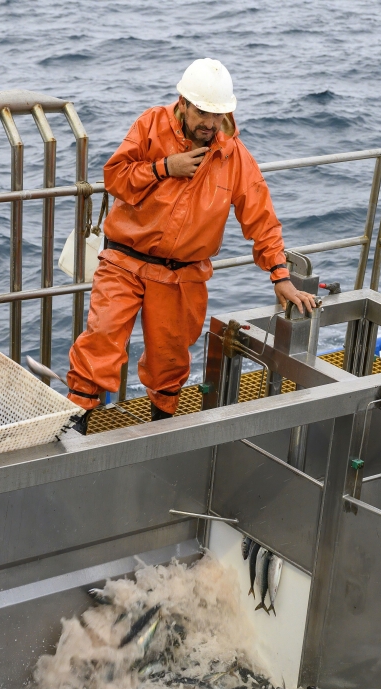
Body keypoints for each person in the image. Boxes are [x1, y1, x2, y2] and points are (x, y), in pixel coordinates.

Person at [66, 58, 317, 432]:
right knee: (100, 344)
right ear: (182, 102)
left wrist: (280, 275)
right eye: (202, 112)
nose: (209, 124)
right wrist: (165, 166)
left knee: (169, 365)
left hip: (182, 277)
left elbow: (261, 217)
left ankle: (161, 437)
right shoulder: (150, 124)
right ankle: (73, 433)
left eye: (217, 115)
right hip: (125, 261)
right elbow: (115, 177)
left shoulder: (235, 156)